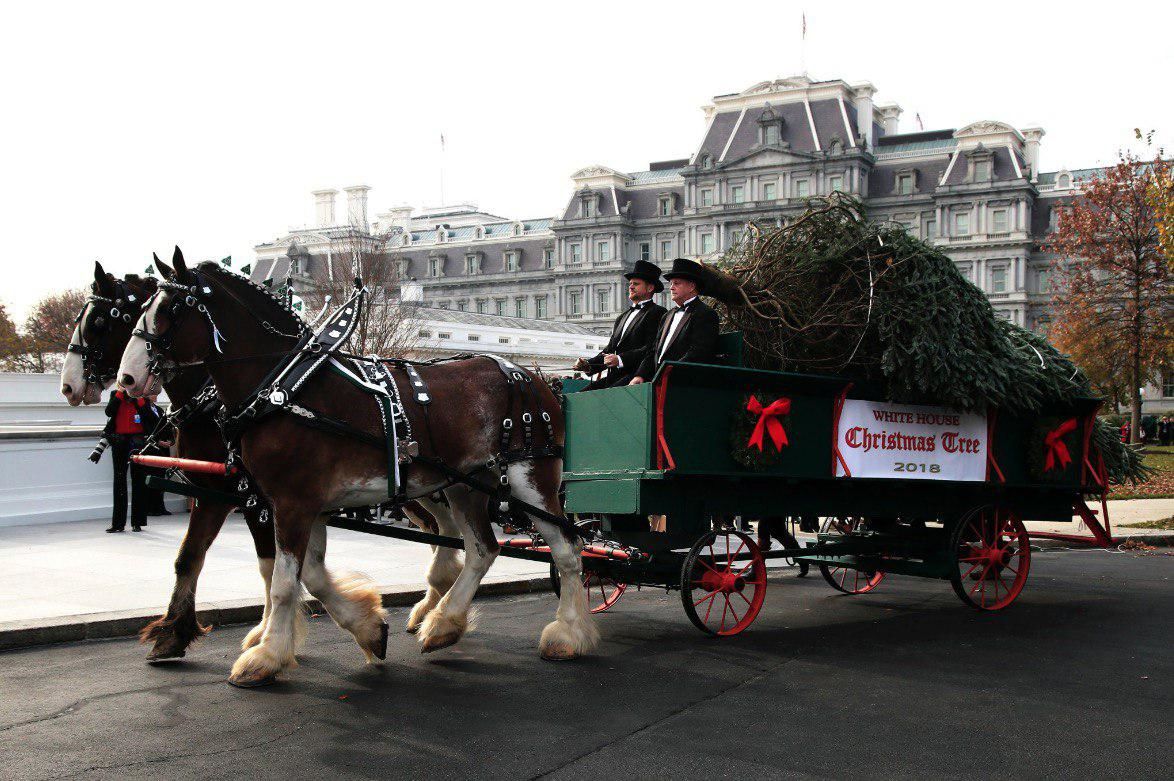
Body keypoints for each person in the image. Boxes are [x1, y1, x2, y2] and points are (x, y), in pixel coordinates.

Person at [573, 261, 667, 390]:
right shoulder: (622, 317)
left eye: (636, 284)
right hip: (614, 377)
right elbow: (609, 350)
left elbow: (651, 348)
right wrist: (588, 365)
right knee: (579, 397)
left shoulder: (658, 312)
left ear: (650, 288)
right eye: (630, 284)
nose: (631, 287)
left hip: (636, 376)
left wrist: (620, 359)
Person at [630, 258, 720, 385]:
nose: (671, 288)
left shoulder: (705, 314)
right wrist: (641, 375)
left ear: (692, 286)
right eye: (671, 284)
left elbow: (698, 352)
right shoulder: (667, 315)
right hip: (658, 381)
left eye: (677, 283)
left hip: (683, 383)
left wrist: (668, 373)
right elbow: (654, 350)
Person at [90, 389, 159, 532]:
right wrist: (120, 395)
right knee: (119, 481)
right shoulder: (116, 395)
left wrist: (139, 399)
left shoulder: (142, 397)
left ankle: (138, 521)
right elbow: (109, 412)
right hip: (119, 442)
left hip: (138, 443)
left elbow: (150, 417)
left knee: (139, 481)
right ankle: (118, 524)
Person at [141, 394, 173, 517]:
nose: (156, 395)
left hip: (163, 450)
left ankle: (160, 506)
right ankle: (150, 507)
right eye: (153, 393)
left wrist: (170, 440)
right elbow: (146, 428)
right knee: (151, 477)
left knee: (161, 477)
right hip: (152, 449)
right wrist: (158, 442)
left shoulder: (159, 410)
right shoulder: (143, 409)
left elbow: (167, 427)